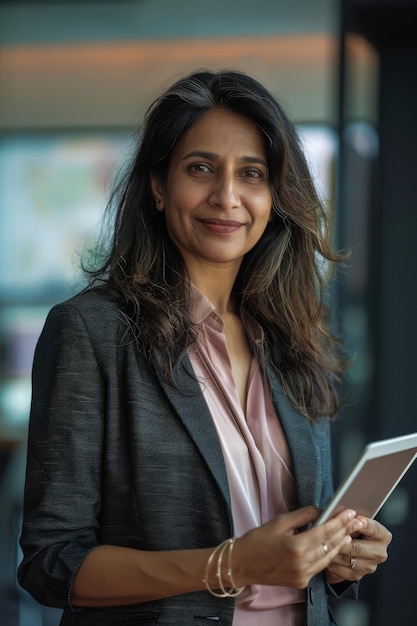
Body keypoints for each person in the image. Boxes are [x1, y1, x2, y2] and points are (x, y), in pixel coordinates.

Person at [18, 69, 391, 626]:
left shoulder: (293, 338)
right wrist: (230, 563)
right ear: (158, 184)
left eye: (252, 173)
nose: (227, 197)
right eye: (200, 169)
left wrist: (336, 557)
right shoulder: (90, 332)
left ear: (275, 196)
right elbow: (53, 563)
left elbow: (298, 543)